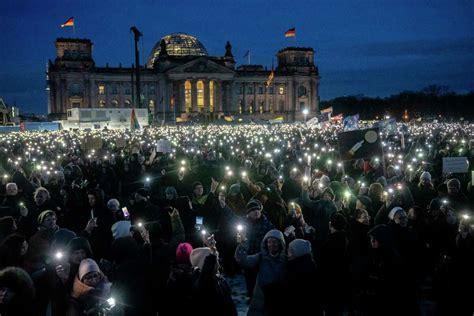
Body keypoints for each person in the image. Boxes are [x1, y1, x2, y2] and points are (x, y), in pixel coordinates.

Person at [235, 229, 287, 316]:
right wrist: (242, 245)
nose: (271, 245)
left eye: (275, 242)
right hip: (261, 301)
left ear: (280, 243)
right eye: (269, 242)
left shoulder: (286, 260)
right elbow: (242, 261)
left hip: (279, 302)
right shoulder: (261, 257)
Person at [190, 242, 237, 316]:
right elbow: (205, 278)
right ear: (205, 264)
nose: (218, 263)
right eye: (216, 261)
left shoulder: (220, 279)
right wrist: (211, 255)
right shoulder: (202, 283)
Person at [240, 199, 274, 296]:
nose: (256, 212)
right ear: (248, 213)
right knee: (250, 280)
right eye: (252, 210)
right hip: (249, 257)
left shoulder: (267, 224)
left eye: (257, 209)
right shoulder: (244, 225)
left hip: (263, 257)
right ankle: (251, 298)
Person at [284, 239, 322, 315]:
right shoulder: (311, 264)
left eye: (290, 250)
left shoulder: (293, 268)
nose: (287, 251)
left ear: (296, 252)